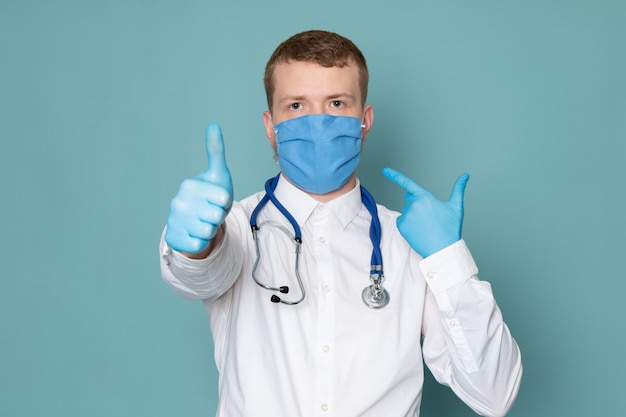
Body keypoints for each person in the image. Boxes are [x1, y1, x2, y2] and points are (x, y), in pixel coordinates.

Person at [159, 30, 522, 417]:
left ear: (364, 120)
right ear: (270, 126)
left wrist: (449, 259)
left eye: (336, 103)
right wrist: (195, 245)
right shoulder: (232, 230)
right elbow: (197, 274)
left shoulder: (410, 244)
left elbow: (494, 395)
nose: (317, 123)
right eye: (296, 105)